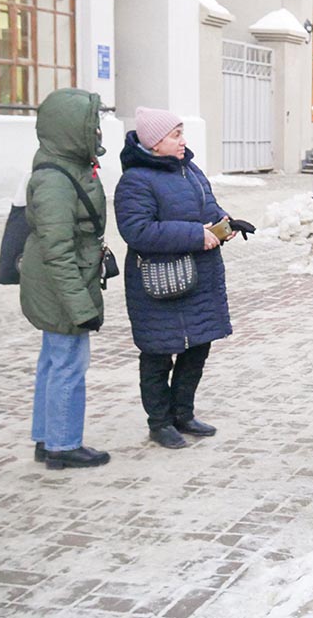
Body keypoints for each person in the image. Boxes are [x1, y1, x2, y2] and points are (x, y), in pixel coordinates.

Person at [115, 108, 243, 449]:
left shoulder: (191, 170)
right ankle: (159, 423)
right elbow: (137, 230)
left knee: (198, 347)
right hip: (159, 283)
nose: (183, 140)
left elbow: (208, 207)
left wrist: (225, 223)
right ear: (154, 144)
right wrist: (194, 236)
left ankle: (183, 413)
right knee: (158, 353)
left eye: (182, 132)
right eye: (175, 135)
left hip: (199, 278)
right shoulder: (135, 180)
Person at [20, 88, 111, 469]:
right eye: (93, 124)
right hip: (61, 287)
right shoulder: (56, 179)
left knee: (54, 361)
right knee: (68, 364)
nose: (98, 132)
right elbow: (58, 251)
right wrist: (81, 307)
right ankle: (63, 444)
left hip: (56, 283)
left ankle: (47, 437)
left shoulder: (64, 164)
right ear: (72, 128)